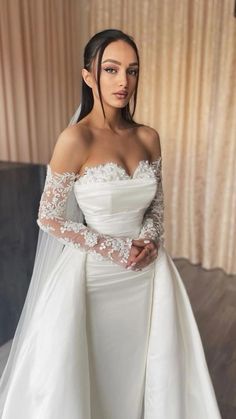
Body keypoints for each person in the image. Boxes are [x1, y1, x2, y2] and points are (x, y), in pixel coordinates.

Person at [0, 29, 222, 419]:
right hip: (94, 280)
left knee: (146, 370)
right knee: (96, 373)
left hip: (148, 276)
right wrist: (116, 248)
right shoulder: (75, 139)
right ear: (89, 76)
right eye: (111, 69)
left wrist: (150, 240)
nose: (123, 81)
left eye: (132, 71)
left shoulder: (148, 137)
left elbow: (155, 208)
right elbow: (48, 216)